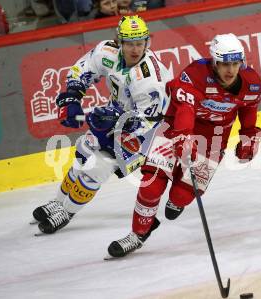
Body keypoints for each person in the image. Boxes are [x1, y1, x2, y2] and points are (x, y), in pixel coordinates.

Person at [108, 33, 261, 257]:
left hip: (215, 137)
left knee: (182, 196)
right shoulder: (196, 74)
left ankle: (177, 200)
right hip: (176, 126)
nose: (230, 70)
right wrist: (182, 136)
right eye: (224, 64)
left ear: (241, 62)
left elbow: (248, 109)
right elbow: (185, 110)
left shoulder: (252, 83)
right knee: (151, 185)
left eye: (234, 64)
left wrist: (248, 137)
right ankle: (138, 233)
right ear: (214, 62)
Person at [32, 15, 172, 235]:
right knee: (83, 151)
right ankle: (59, 201)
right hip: (115, 115)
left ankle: (66, 212)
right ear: (119, 42)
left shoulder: (149, 77)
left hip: (145, 133)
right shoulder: (107, 52)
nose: (135, 49)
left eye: (140, 43)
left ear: (147, 42)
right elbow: (82, 69)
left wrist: (117, 120)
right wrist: (72, 97)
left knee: (97, 167)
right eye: (129, 43)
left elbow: (149, 119)